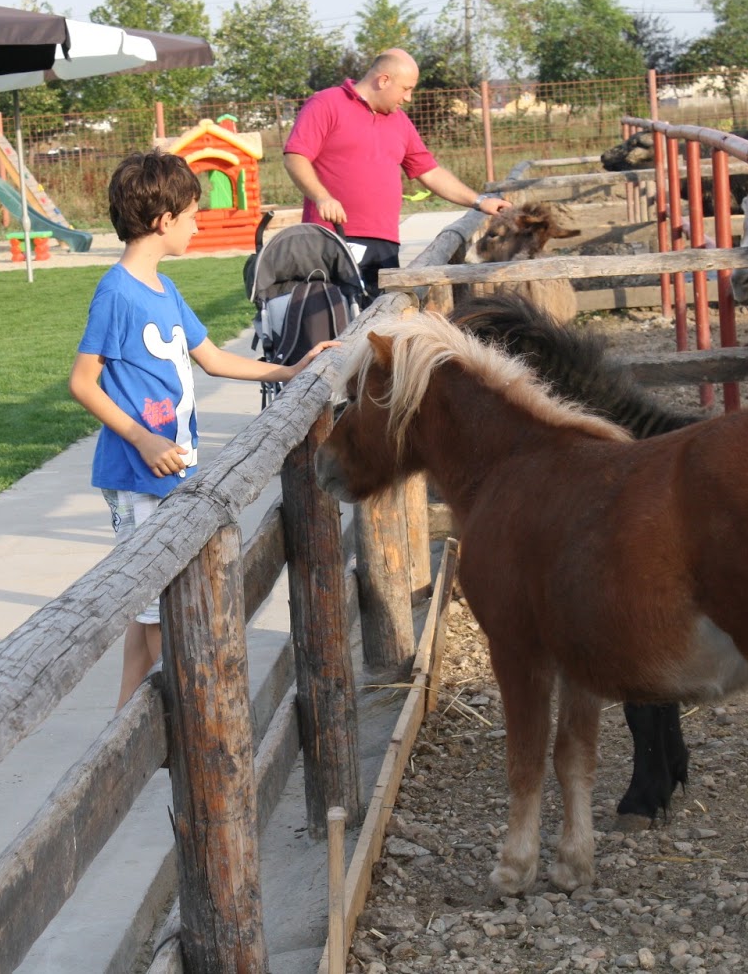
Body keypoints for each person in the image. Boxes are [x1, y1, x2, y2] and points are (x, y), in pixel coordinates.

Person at [70, 151, 337, 710]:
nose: (197, 224)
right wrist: (142, 438)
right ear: (165, 221)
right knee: (157, 604)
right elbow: (83, 383)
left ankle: (128, 722)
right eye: (193, 215)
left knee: (151, 604)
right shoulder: (117, 293)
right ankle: (159, 719)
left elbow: (213, 359)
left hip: (172, 466)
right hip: (138, 471)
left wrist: (289, 370)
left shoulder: (166, 292)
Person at [283, 48, 512, 295]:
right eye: (406, 89)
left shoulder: (399, 121)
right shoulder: (326, 103)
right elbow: (296, 156)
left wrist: (480, 201)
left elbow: (431, 173)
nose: (408, 98)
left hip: (385, 243)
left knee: (379, 321)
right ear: (384, 80)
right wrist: (322, 197)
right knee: (335, 322)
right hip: (332, 238)